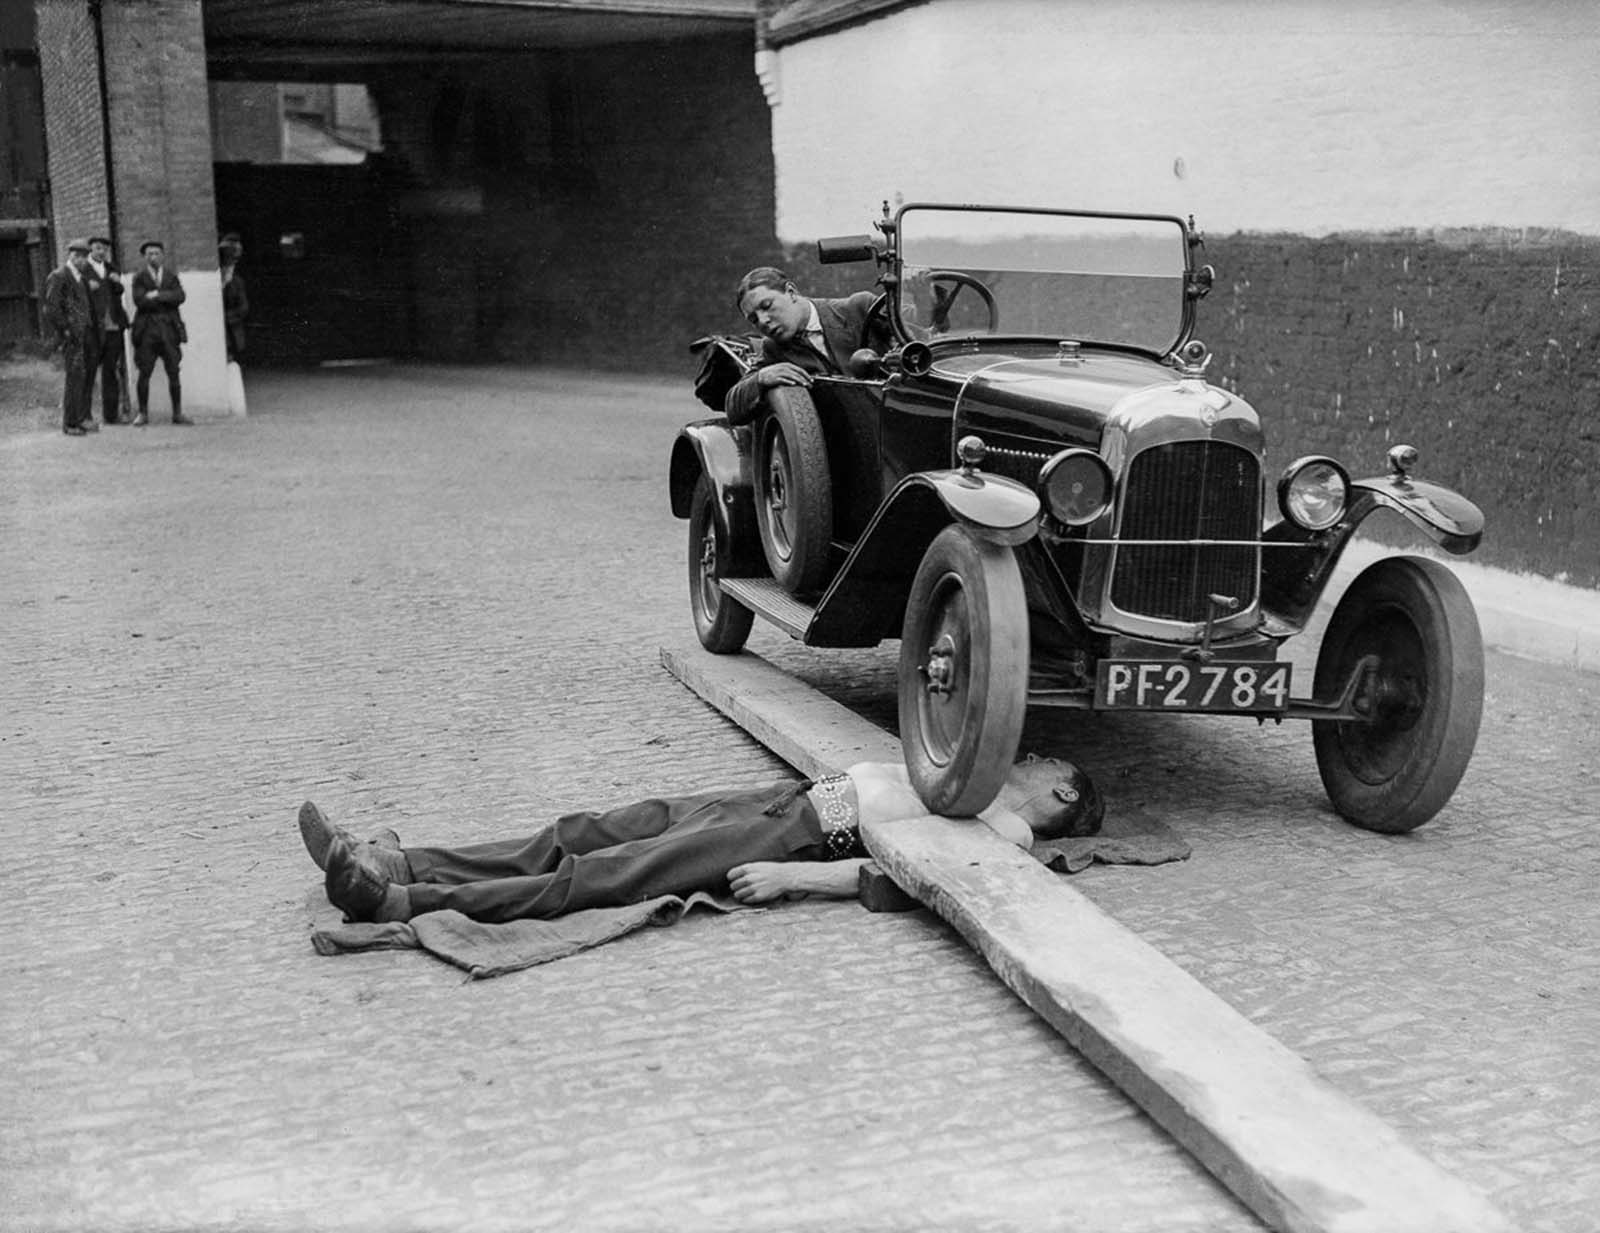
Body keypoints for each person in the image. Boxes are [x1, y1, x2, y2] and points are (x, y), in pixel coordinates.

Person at [300, 756, 1104, 926]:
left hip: (800, 838)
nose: (1027, 753)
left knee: (605, 871)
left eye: (1044, 762)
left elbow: (914, 882)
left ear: (1061, 792)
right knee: (589, 829)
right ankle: (397, 856)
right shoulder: (977, 768)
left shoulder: (1008, 833)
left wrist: (797, 883)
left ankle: (397, 896)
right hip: (788, 799)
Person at [722, 267, 891, 424]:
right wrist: (761, 378)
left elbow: (912, 325)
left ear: (791, 292)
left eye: (767, 306)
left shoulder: (859, 307)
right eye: (753, 319)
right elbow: (732, 406)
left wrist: (917, 295)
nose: (763, 321)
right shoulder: (773, 349)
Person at [130, 239, 191, 426]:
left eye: (156, 253)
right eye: (149, 254)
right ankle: (142, 413)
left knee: (174, 371)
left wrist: (157, 295)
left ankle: (178, 413)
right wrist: (166, 298)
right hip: (147, 330)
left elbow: (180, 296)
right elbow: (139, 300)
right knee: (144, 372)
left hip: (169, 330)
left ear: (163, 255)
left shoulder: (171, 276)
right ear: (144, 257)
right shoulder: (139, 277)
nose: (153, 257)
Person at [41, 237, 95, 436]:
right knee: (74, 378)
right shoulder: (60, 275)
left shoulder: (80, 277)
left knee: (80, 378)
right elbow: (51, 308)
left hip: (81, 334)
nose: (81, 260)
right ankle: (70, 423)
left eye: (84, 257)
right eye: (76, 256)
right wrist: (65, 330)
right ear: (69, 256)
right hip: (71, 335)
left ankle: (77, 419)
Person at [84, 235, 130, 425]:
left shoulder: (111, 269)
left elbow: (120, 292)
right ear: (91, 250)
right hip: (93, 328)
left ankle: (111, 415)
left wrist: (117, 281)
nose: (101, 252)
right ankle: (84, 415)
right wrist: (87, 287)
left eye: (104, 249)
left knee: (111, 371)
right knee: (89, 370)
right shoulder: (83, 270)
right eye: (97, 248)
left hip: (113, 327)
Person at [219, 233, 248, 363]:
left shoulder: (238, 278)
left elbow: (243, 307)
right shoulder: (217, 273)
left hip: (231, 330)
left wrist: (224, 317)